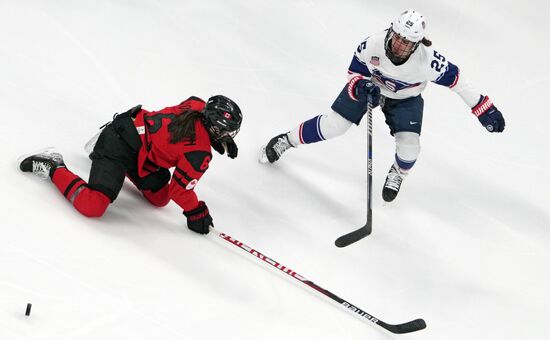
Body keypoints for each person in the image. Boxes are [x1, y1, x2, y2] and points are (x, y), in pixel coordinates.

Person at [259, 9, 505, 202]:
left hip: (405, 99)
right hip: (369, 89)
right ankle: (287, 140)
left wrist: (485, 109)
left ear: (417, 45)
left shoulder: (429, 62)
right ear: (391, 31)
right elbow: (354, 70)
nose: (399, 46)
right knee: (334, 126)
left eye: (407, 43)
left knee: (410, 148)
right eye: (398, 38)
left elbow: (460, 82)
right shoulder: (372, 44)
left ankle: (398, 172)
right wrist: (359, 86)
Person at [20, 95, 242, 235]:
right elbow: (180, 191)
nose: (228, 135)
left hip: (139, 139)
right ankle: (53, 164)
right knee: (93, 205)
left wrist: (219, 137)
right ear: (214, 127)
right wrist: (196, 211)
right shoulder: (199, 155)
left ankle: (114, 166)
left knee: (160, 198)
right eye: (226, 131)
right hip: (120, 140)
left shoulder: (196, 105)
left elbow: (194, 116)